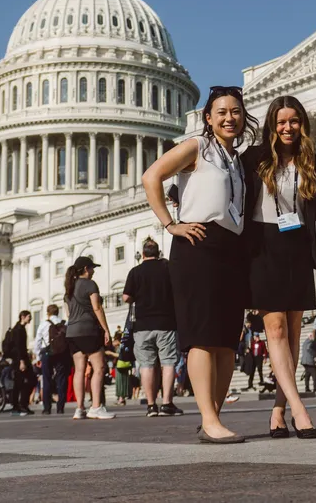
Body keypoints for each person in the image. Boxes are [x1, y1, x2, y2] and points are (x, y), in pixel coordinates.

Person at [142, 85, 259, 444]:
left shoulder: (236, 160)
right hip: (198, 244)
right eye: (221, 112)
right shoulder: (196, 147)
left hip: (231, 248)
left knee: (226, 340)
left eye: (235, 111)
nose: (229, 118)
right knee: (203, 339)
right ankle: (208, 418)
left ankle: (215, 418)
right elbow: (151, 177)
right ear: (208, 118)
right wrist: (170, 224)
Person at [242, 95, 316, 439]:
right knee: (274, 331)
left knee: (291, 334)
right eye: (281, 122)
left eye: (294, 121)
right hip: (264, 245)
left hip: (297, 244)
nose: (287, 128)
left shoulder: (308, 160)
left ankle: (278, 410)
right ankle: (300, 410)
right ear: (272, 126)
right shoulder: (254, 158)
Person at [123, 238, 184, 418]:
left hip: (142, 325)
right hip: (166, 323)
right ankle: (167, 403)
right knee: (168, 363)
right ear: (158, 253)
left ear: (143, 254)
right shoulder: (167, 268)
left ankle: (151, 405)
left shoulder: (135, 272)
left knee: (147, 365)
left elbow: (126, 297)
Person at [65, 256, 116, 419]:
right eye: (92, 268)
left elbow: (68, 313)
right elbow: (97, 307)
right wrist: (106, 330)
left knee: (79, 370)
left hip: (72, 332)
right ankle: (95, 406)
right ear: (86, 269)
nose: (93, 271)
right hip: (88, 330)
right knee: (99, 367)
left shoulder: (69, 288)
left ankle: (79, 408)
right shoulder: (90, 284)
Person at [34, 304, 69, 415]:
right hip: (62, 353)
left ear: (48, 313)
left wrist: (38, 357)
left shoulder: (44, 324)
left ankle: (47, 408)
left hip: (48, 352)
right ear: (57, 312)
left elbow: (38, 342)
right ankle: (60, 407)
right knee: (62, 379)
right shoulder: (64, 323)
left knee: (47, 379)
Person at [7, 311, 36, 416]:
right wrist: (22, 361)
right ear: (22, 317)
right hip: (20, 360)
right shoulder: (18, 330)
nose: (31, 319)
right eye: (29, 316)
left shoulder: (19, 328)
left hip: (21, 359)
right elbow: (19, 347)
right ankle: (20, 405)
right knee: (26, 381)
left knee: (22, 382)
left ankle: (20, 405)